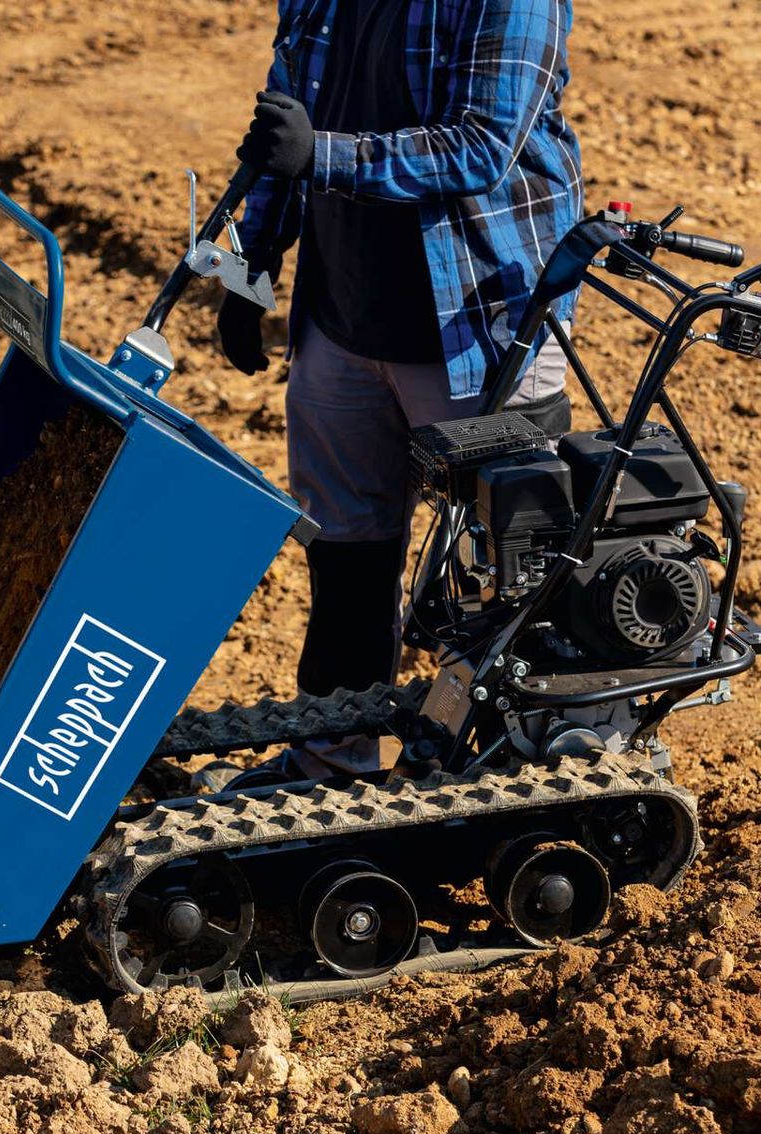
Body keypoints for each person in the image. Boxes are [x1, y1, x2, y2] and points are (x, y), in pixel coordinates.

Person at [218, 0, 583, 777]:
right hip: (342, 318)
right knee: (345, 555)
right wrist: (251, 258)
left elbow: (482, 146)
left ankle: (514, 779)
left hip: (476, 329)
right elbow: (286, 123)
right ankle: (334, 759)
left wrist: (324, 157)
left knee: (503, 572)